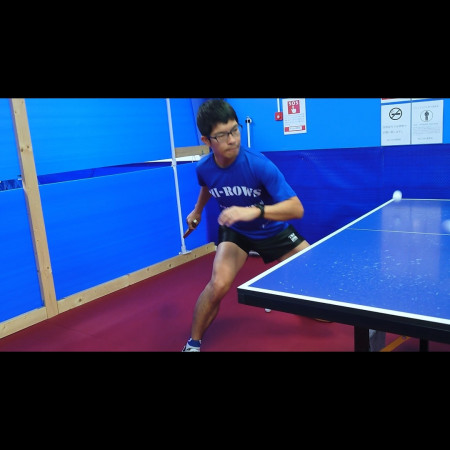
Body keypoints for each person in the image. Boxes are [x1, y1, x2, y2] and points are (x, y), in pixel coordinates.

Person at [182, 98, 312, 352]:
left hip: (271, 229)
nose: (232, 139)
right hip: (236, 232)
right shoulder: (203, 168)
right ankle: (192, 343)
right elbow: (207, 186)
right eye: (222, 135)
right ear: (206, 140)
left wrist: (253, 211)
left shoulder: (259, 164)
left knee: (318, 273)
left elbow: (297, 209)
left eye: (235, 130)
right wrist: (196, 211)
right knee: (218, 285)